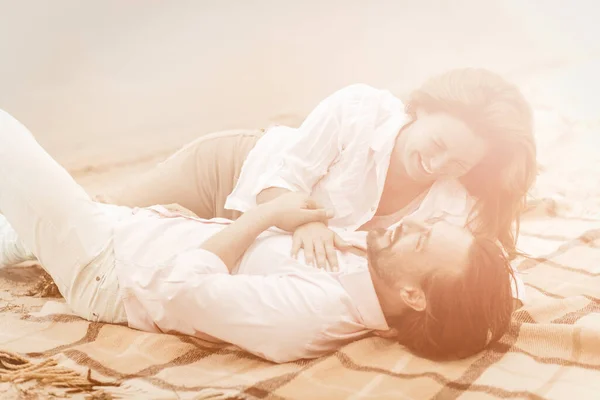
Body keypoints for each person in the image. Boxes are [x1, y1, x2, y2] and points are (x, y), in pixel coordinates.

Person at [0, 109, 515, 362]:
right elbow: (477, 293)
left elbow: (180, 289)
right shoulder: (380, 269)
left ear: (413, 295)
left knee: (10, 143)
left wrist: (263, 218)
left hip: (108, 265)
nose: (413, 224)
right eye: (429, 224)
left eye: (422, 239)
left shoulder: (310, 314)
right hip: (146, 228)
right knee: (17, 224)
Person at [98, 68, 536, 276]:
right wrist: (302, 224)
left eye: (458, 163)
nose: (437, 166)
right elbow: (281, 178)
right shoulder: (360, 109)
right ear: (419, 108)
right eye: (437, 144)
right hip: (231, 171)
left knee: (126, 255)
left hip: (248, 241)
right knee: (97, 218)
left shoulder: (457, 201)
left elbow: (468, 270)